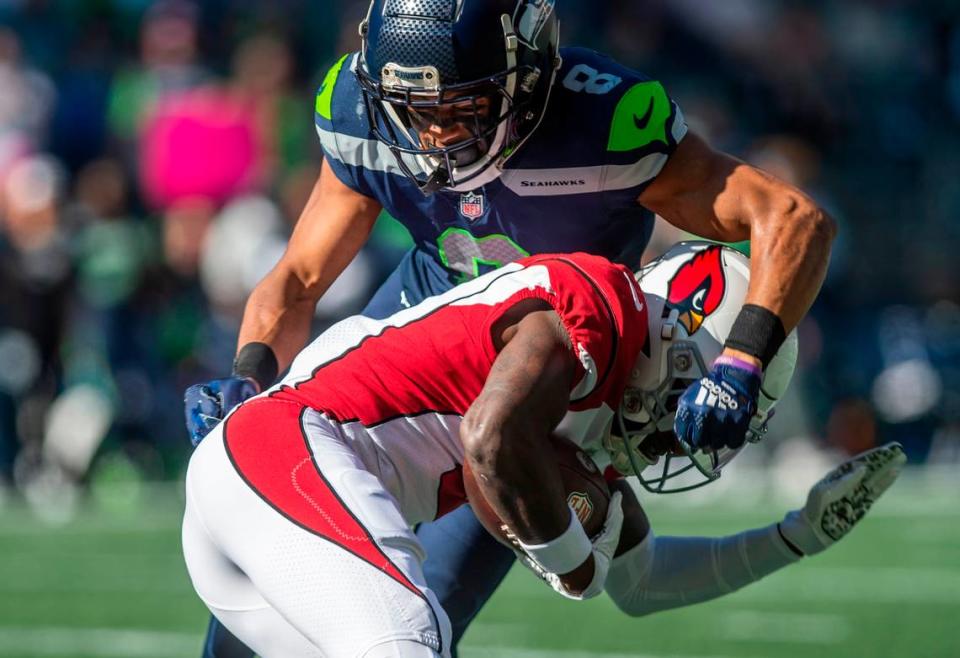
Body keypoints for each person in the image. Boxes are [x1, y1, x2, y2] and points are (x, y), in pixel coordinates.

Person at [185, 1, 837, 654]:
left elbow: (791, 217)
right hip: (420, 343)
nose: (435, 133)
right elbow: (298, 277)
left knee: (412, 616)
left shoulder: (599, 122)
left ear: (526, 73)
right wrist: (249, 374)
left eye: (461, 107)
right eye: (413, 109)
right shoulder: (364, 112)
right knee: (324, 617)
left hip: (544, 384)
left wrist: (742, 361)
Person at [181, 245, 904, 658]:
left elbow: (644, 583)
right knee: (409, 639)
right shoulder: (601, 312)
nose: (687, 436)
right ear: (685, 349)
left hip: (269, 488)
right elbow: (491, 441)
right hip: (286, 450)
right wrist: (571, 560)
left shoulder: (579, 414)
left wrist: (796, 535)